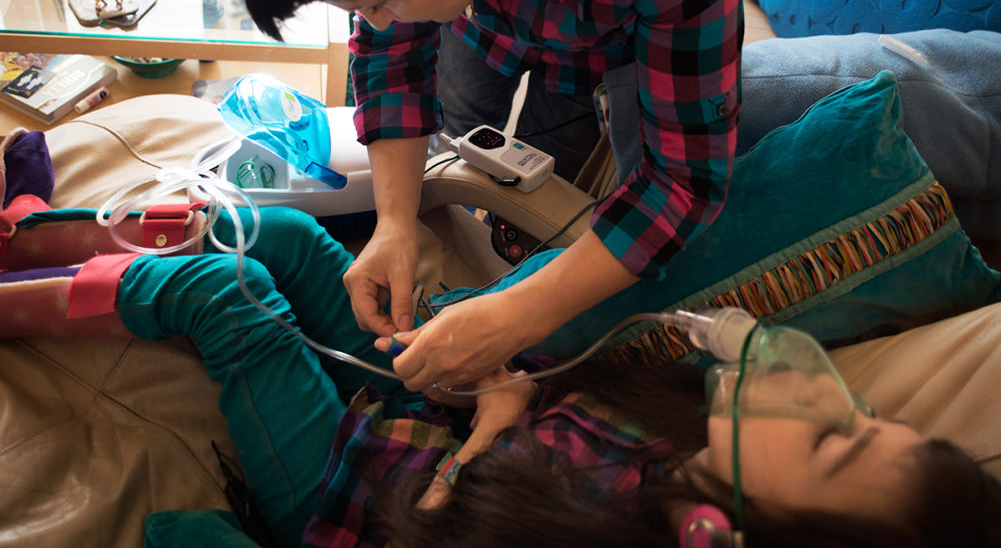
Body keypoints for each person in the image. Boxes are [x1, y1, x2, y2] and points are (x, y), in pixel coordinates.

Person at [224, 0, 744, 394]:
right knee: (457, 147)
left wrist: (518, 314)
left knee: (555, 198)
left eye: (379, 1)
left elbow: (684, 183)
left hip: (615, 40)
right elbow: (389, 51)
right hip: (473, 0)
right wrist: (395, 222)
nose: (374, 23)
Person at [81, 207, 1000, 548]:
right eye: (860, 411)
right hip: (416, 414)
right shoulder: (683, 440)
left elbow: (428, 524)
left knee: (224, 291)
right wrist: (501, 388)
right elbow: (553, 417)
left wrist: (478, 444)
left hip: (342, 492)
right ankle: (38, 233)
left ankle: (26, 298)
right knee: (274, 233)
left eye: (833, 438)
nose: (819, 393)